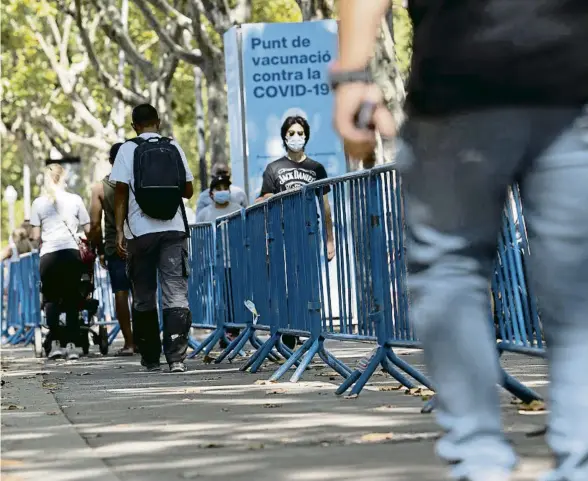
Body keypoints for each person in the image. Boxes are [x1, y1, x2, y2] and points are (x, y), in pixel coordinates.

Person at [332, 1, 588, 481]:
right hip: (569, 76)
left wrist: (350, 75)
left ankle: (479, 462)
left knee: (450, 269)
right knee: (579, 291)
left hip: (460, 75)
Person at [110, 103, 195, 373]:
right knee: (175, 292)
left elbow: (120, 192)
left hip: (140, 233)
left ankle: (149, 357)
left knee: (144, 294)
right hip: (173, 230)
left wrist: (120, 230)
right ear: (158, 122)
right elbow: (189, 190)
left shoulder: (127, 149)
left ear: (134, 125)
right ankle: (177, 359)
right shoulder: (173, 146)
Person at [257, 115, 336, 349]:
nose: (296, 137)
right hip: (281, 234)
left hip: (309, 232)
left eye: (300, 133)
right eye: (291, 133)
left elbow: (325, 205)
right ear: (284, 136)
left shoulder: (315, 168)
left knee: (306, 284)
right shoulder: (274, 168)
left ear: (307, 136)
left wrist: (330, 238)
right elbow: (265, 200)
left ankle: (306, 330)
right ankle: (288, 332)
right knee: (285, 284)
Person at [30, 164, 91, 361]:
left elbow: (35, 235)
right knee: (73, 299)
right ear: (63, 178)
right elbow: (88, 228)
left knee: (51, 300)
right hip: (71, 254)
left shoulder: (38, 203)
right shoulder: (75, 200)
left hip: (49, 256)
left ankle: (55, 343)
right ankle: (72, 345)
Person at [89, 142, 135, 356]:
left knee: (120, 292)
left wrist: (98, 250)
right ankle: (146, 339)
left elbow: (95, 224)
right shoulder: (137, 182)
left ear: (110, 161)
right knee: (143, 291)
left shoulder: (100, 187)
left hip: (113, 246)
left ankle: (129, 342)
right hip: (138, 241)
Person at [196, 175, 242, 344]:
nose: (222, 191)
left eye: (225, 188)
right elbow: (199, 241)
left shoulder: (237, 209)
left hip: (234, 262)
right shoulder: (204, 214)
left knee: (233, 298)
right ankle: (221, 329)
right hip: (213, 264)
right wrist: (199, 262)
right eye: (218, 188)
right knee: (217, 299)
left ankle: (232, 332)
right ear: (211, 193)